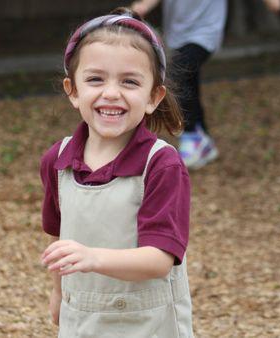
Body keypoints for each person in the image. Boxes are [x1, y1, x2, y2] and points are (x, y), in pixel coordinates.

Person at [40, 7, 193, 337]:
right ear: (73, 90)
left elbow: (159, 260)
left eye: (129, 81)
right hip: (83, 319)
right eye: (95, 79)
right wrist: (58, 291)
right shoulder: (58, 159)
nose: (111, 92)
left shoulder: (161, 165)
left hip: (148, 324)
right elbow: (57, 235)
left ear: (153, 96)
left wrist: (93, 257)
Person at [131, 0, 280, 169]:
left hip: (205, 33)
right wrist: (142, 7)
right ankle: (204, 139)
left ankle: (191, 136)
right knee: (189, 80)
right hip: (177, 34)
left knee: (177, 72)